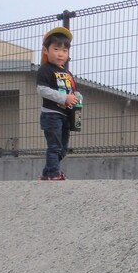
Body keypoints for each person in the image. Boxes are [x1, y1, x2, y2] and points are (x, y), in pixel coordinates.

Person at [36, 26, 80, 181]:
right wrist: (63, 98)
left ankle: (47, 173)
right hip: (51, 114)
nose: (61, 54)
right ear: (46, 51)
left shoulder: (67, 73)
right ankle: (54, 173)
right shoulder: (45, 70)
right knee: (54, 146)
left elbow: (71, 90)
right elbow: (42, 90)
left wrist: (76, 97)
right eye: (56, 49)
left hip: (66, 114)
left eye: (64, 51)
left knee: (63, 148)